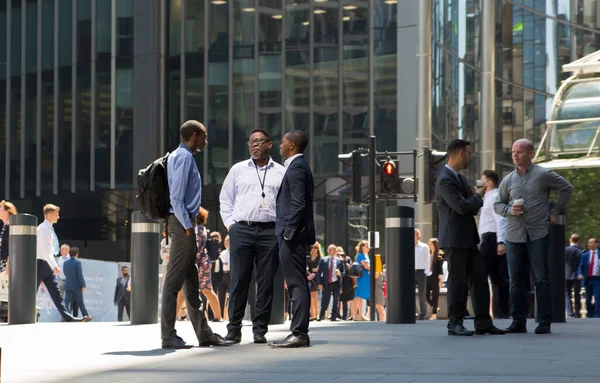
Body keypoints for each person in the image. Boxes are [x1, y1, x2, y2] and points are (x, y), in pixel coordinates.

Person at [160, 120, 232, 349]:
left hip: (184, 223)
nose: (206, 141)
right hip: (182, 225)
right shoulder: (183, 157)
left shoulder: (180, 156)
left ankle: (205, 334)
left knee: (192, 284)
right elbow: (177, 198)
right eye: (203, 137)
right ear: (193, 136)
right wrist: (188, 227)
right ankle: (168, 336)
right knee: (173, 282)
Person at [494, 138, 572, 334]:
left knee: (541, 279)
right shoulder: (508, 180)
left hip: (538, 234)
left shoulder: (542, 174)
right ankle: (518, 321)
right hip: (514, 236)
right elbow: (497, 204)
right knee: (515, 281)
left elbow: (566, 188)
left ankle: (544, 321)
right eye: (513, 152)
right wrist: (509, 210)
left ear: (530, 153)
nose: (514, 155)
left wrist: (555, 209)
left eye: (519, 152)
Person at [220, 129, 285, 344]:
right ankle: (234, 329)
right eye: (251, 142)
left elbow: (285, 203)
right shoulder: (238, 170)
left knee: (266, 282)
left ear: (269, 144)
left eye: (259, 141)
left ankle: (260, 329)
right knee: (239, 280)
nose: (254, 145)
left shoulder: (281, 172)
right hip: (242, 230)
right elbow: (226, 199)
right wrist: (231, 226)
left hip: (270, 231)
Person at [435, 139, 505, 336]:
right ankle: (454, 323)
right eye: (468, 154)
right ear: (458, 154)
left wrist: (474, 197)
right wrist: (479, 195)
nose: (470, 157)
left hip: (467, 238)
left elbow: (470, 204)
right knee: (458, 282)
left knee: (480, 279)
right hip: (454, 239)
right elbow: (463, 207)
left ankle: (483, 322)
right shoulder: (445, 180)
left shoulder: (460, 178)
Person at [270, 130, 315, 349]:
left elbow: (299, 203)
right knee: (296, 283)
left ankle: (299, 333)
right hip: (292, 234)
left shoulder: (297, 167)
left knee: (296, 283)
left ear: (292, 145)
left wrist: (288, 232)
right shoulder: (297, 166)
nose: (279, 145)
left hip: (292, 236)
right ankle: (298, 332)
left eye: (283, 142)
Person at [36, 204, 89, 322]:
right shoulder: (43, 229)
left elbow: (49, 250)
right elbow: (45, 250)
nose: (58, 217)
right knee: (32, 291)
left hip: (46, 265)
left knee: (56, 294)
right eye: (56, 214)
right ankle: (23, 315)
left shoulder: (48, 228)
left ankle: (68, 317)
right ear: (49, 215)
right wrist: (54, 265)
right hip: (40, 264)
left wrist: (53, 264)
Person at [478, 170, 509, 319]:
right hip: (489, 239)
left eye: (482, 180)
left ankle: (494, 311)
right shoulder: (487, 198)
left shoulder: (494, 197)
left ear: (489, 183)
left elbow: (500, 220)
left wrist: (501, 242)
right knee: (497, 277)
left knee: (486, 275)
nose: (479, 183)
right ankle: (499, 312)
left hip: (492, 239)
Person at [194, 208, 223, 323]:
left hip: (198, 262)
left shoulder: (197, 229)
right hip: (204, 262)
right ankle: (218, 316)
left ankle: (172, 319)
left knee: (183, 291)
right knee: (207, 290)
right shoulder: (203, 229)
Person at [316, 244, 345, 321]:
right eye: (328, 250)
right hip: (326, 283)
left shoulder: (340, 260)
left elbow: (343, 272)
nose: (328, 251)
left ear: (335, 251)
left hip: (336, 283)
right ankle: (322, 314)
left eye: (330, 250)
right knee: (325, 300)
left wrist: (340, 273)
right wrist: (319, 283)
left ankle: (333, 316)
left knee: (336, 300)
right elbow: (319, 273)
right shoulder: (323, 260)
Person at [63, 247, 93, 321]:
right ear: (76, 254)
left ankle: (64, 317)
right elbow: (80, 275)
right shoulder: (77, 263)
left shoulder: (65, 263)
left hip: (68, 285)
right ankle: (86, 316)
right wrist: (83, 285)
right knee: (80, 302)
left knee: (66, 302)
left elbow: (65, 273)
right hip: (76, 286)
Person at [578, 238, 600, 318]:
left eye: (591, 242)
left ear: (596, 244)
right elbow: (581, 266)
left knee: (598, 297)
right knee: (588, 299)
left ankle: (597, 315)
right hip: (588, 279)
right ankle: (590, 314)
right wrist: (579, 273)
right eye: (588, 242)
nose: (589, 244)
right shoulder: (585, 255)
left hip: (597, 279)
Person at [414, 229, 431, 320]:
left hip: (421, 272)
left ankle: (423, 314)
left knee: (422, 293)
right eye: (416, 234)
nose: (418, 235)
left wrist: (426, 272)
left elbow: (427, 259)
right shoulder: (408, 246)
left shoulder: (424, 246)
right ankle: (413, 312)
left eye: (419, 234)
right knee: (410, 294)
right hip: (411, 272)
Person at [565, 234, 583, 318]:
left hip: (567, 275)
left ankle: (570, 312)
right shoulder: (581, 251)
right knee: (577, 295)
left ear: (570, 240)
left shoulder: (565, 250)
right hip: (577, 275)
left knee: (567, 294)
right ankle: (577, 313)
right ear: (578, 241)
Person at [353, 240, 370, 321]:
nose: (368, 248)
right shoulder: (360, 255)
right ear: (362, 247)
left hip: (366, 276)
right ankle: (354, 315)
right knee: (357, 296)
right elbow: (366, 266)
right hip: (362, 277)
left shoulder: (366, 255)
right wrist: (372, 267)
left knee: (361, 297)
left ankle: (361, 315)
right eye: (367, 246)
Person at [0, 200, 17, 275]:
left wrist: (9, 263)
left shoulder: (9, 227)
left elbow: (12, 246)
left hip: (6, 265)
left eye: (1, 209)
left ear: (7, 211)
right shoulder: (5, 226)